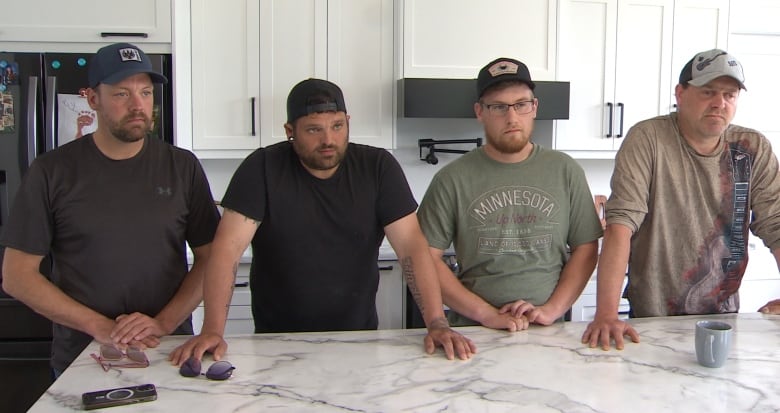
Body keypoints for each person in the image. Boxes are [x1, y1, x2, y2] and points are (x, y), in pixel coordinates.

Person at [169, 78, 476, 364]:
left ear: (348, 123)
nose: (329, 139)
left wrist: (437, 322)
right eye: (314, 129)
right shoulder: (262, 169)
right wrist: (212, 331)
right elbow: (226, 251)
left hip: (358, 340)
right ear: (290, 130)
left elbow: (411, 247)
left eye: (337, 126)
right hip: (277, 343)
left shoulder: (377, 167)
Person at [0, 42, 220, 375]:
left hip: (167, 351)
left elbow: (212, 257)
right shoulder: (51, 172)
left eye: (145, 93)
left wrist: (163, 322)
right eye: (121, 94)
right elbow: (17, 277)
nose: (138, 106)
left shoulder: (181, 166)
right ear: (92, 99)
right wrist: (101, 326)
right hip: (85, 355)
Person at [582, 49, 780, 351]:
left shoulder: (751, 148)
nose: (719, 103)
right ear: (680, 94)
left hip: (723, 318)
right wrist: (607, 314)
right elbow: (621, 223)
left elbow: (776, 223)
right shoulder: (648, 138)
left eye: (730, 95)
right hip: (650, 318)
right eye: (708, 92)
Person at [417, 57, 603, 331]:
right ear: (480, 112)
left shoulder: (566, 171)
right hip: (475, 332)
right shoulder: (451, 179)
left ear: (534, 107)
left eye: (521, 104)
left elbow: (586, 248)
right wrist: (486, 314)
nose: (512, 117)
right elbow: (425, 258)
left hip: (549, 331)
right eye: (499, 107)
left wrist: (551, 310)